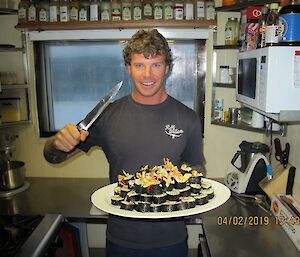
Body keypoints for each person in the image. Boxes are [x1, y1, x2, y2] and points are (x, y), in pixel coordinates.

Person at [44, 29, 205, 257]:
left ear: (167, 68)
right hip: (121, 240)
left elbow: (197, 167)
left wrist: (183, 179)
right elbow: (52, 156)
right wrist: (57, 143)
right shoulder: (107, 115)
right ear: (128, 68)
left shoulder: (188, 118)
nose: (147, 75)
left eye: (156, 65)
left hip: (171, 239)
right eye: (139, 65)